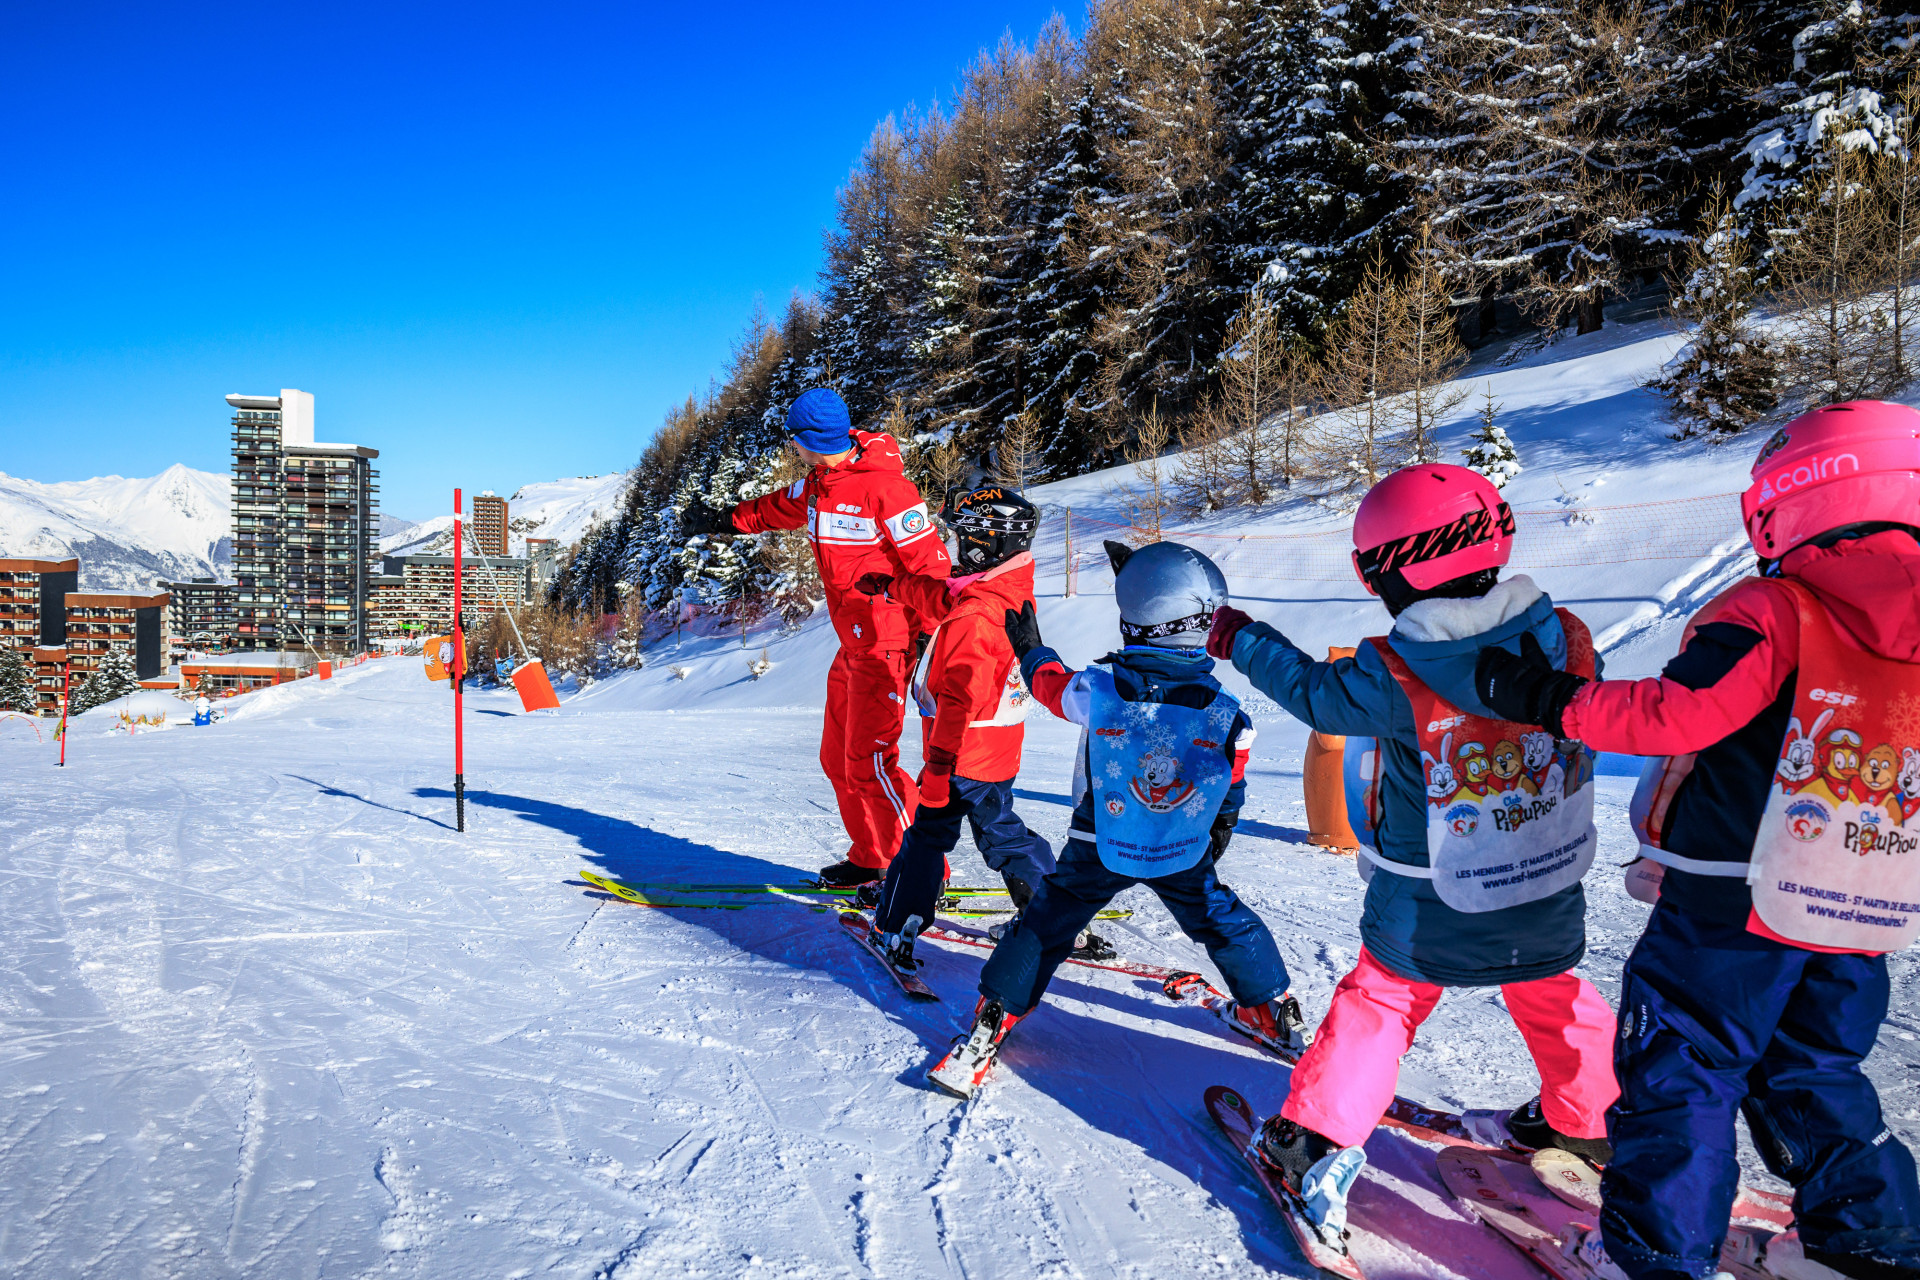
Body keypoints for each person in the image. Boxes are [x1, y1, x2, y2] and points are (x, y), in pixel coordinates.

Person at [1476, 401, 1920, 1280]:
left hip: (1735, 896)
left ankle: (1654, 1254)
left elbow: (1678, 713)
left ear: (1792, 496)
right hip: (1867, 890)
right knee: (1816, 1065)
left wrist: (1542, 697)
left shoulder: (1777, 606)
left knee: (1683, 1058)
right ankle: (1871, 1239)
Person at [1208, 463, 1619, 1246]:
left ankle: (1316, 1142)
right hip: (1544, 874)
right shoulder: (1564, 635)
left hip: (1431, 894)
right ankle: (1590, 1124)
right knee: (1553, 988)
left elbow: (1314, 693)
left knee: (1384, 1000)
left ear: (1389, 572)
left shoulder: (1395, 670)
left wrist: (1243, 639)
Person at [927, 539, 1309, 1099]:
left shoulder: (1100, 689)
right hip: (1182, 845)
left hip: (1098, 840)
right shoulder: (1227, 711)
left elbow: (1049, 686)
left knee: (1047, 923)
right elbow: (1231, 780)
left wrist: (1031, 647)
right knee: (1217, 914)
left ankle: (993, 1021)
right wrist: (1219, 829)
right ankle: (1271, 1009)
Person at [682, 388, 950, 888]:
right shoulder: (819, 485)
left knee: (871, 761)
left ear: (808, 439)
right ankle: (872, 855)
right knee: (838, 758)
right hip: (853, 644)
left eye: (794, 440)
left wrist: (932, 644)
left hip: (889, 644)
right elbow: (773, 510)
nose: (792, 448)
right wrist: (724, 521)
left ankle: (920, 871)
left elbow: (933, 569)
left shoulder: (888, 492)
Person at [850, 486, 1056, 968]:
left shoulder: (973, 616)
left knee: (925, 840)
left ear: (985, 544)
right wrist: (890, 586)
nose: (957, 552)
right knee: (1002, 832)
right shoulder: (1002, 591)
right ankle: (1053, 913)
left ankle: (894, 924)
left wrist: (940, 768)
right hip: (998, 750)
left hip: (960, 754)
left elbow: (957, 699)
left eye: (964, 541)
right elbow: (938, 594)